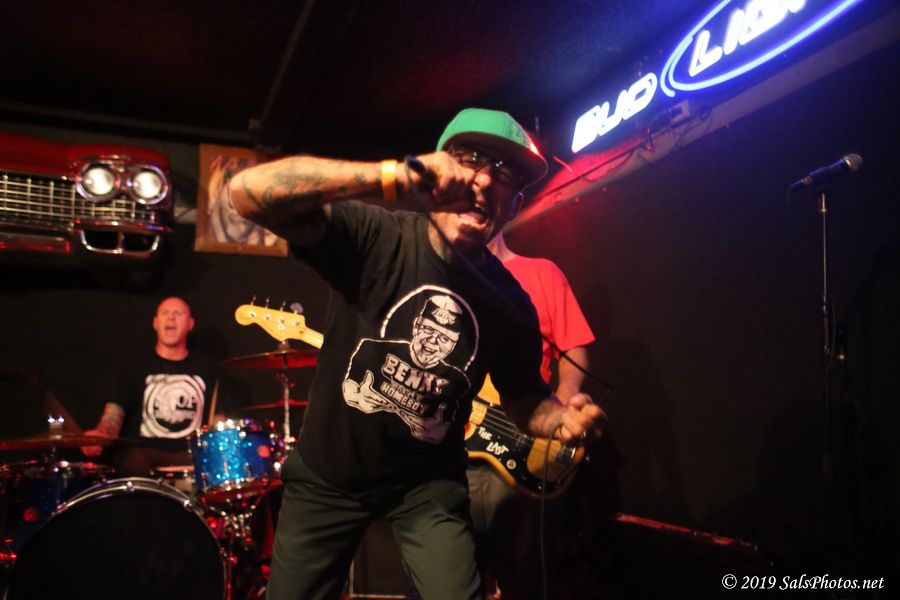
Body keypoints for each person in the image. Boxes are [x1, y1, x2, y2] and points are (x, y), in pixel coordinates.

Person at [230, 107, 607, 600]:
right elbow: (247, 192)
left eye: (504, 174)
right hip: (328, 474)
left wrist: (561, 421)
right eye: (470, 159)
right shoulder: (377, 237)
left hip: (426, 488)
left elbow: (525, 401)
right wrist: (393, 176)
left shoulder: (510, 303)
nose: (483, 180)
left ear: (514, 205)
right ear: (437, 168)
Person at [468, 231, 595, 599]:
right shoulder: (441, 275)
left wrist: (562, 404)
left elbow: (574, 349)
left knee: (524, 580)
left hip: (523, 449)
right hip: (450, 453)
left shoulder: (543, 273)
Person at [82, 296, 221, 475]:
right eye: (165, 313)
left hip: (190, 453)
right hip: (143, 453)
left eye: (178, 313)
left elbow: (218, 417)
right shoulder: (134, 365)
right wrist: (102, 434)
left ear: (190, 324)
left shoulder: (206, 368)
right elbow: (113, 414)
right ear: (155, 323)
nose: (171, 318)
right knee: (133, 459)